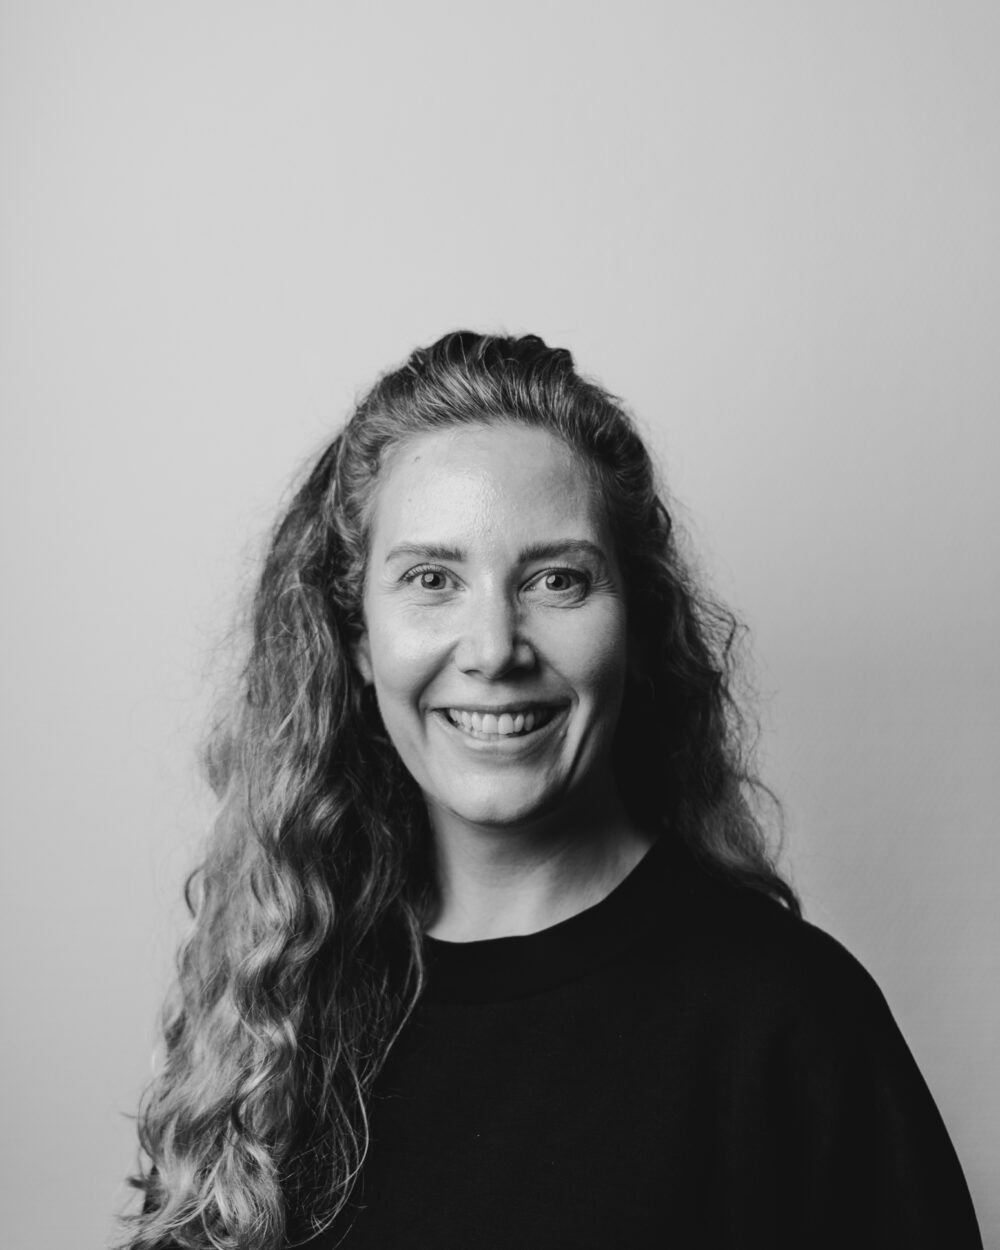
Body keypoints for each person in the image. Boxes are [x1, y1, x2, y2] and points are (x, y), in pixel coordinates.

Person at [126, 331, 982, 1250]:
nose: (495, 649)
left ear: (636, 627)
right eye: (431, 579)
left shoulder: (790, 1018)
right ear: (359, 638)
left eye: (556, 580)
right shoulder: (276, 999)